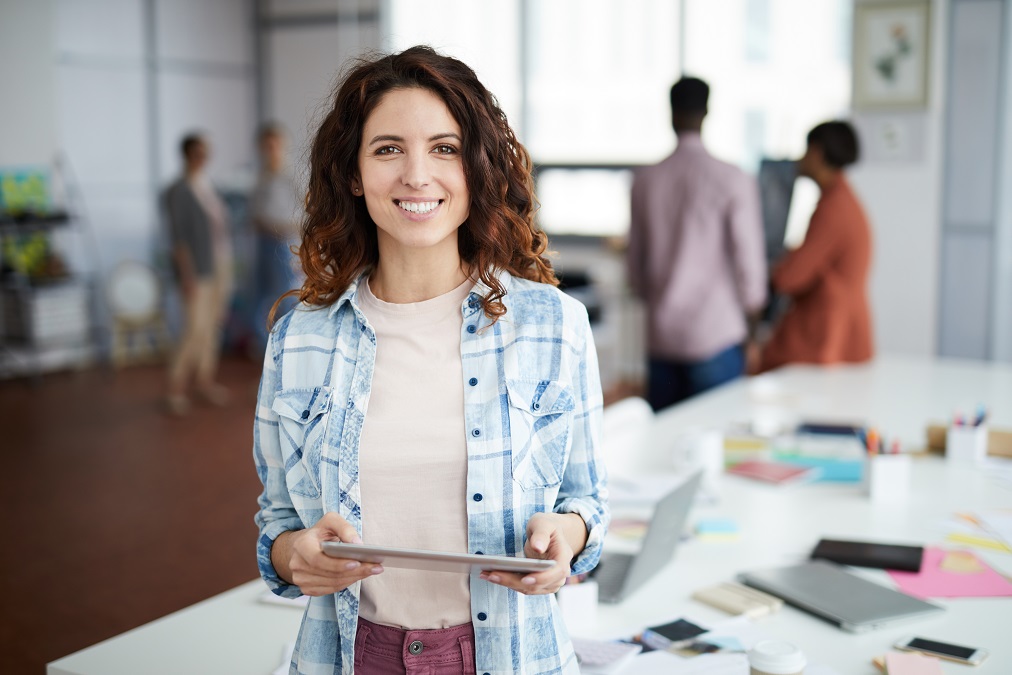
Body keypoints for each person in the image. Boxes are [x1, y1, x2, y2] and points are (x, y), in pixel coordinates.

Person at [253, 46, 608, 675]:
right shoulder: (300, 339)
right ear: (355, 175)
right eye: (388, 149)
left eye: (444, 148)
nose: (417, 175)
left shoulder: (554, 325)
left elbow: (587, 503)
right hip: (349, 654)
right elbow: (279, 522)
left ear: (476, 168)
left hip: (511, 656)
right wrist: (291, 557)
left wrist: (567, 539)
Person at [626, 77, 767, 411]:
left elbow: (635, 269)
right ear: (706, 113)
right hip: (716, 337)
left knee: (662, 454)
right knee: (717, 446)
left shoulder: (645, 180)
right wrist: (754, 330)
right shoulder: (733, 178)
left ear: (671, 114)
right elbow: (750, 267)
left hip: (662, 337)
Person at [758, 121, 873, 372]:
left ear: (818, 153)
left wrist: (775, 267)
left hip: (825, 333)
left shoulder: (834, 208)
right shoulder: (842, 199)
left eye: (806, 150)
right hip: (841, 327)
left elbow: (790, 278)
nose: (800, 158)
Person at [163, 133, 233, 415]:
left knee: (213, 326)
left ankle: (205, 381)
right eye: (197, 153)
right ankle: (176, 388)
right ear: (186, 155)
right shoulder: (177, 191)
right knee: (194, 329)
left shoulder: (208, 185)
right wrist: (187, 276)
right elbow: (178, 239)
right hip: (197, 269)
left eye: (206, 152)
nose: (203, 158)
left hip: (220, 264)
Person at [249, 123, 301, 356]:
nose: (270, 149)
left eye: (274, 144)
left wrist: (279, 228)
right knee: (261, 297)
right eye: (266, 145)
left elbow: (309, 213)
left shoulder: (293, 176)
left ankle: (286, 345)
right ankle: (266, 347)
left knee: (284, 295)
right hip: (262, 243)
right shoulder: (261, 177)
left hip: (283, 243)